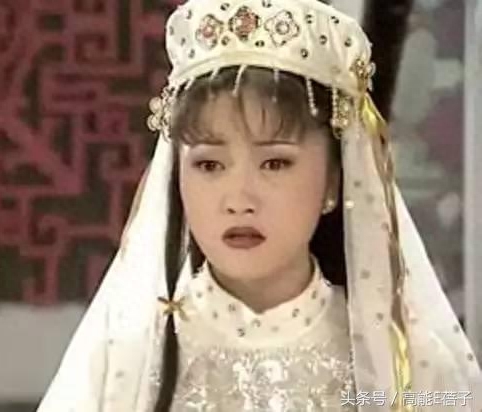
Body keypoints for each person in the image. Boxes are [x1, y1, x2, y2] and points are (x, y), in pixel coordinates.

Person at [37, 0, 482, 411]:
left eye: (275, 163)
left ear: (333, 179)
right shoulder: (125, 356)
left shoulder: (406, 363)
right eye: (209, 165)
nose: (239, 200)